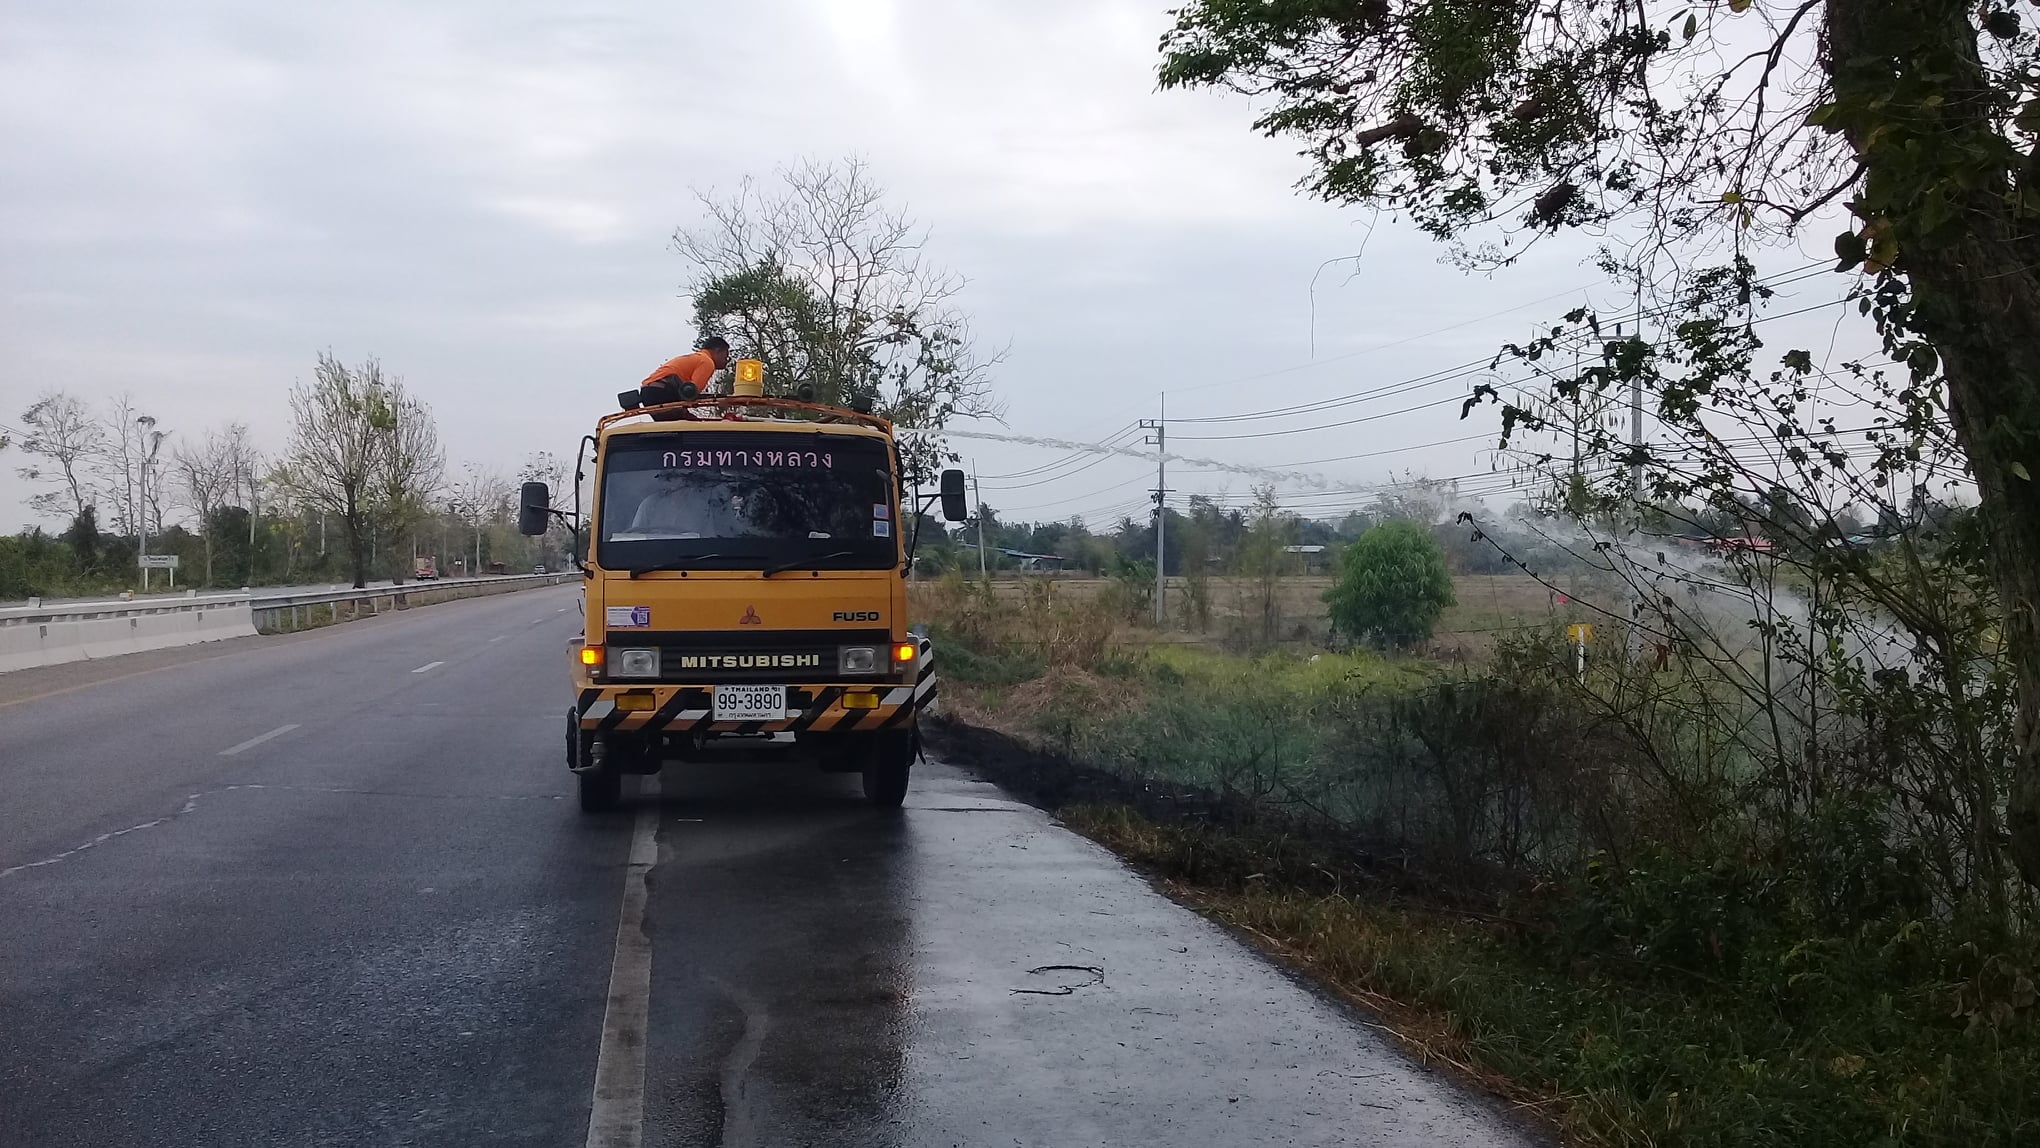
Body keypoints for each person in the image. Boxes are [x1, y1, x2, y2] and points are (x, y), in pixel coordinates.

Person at [640, 337, 731, 411]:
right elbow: (691, 393)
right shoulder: (707, 362)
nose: (726, 361)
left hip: (648, 391)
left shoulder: (697, 358)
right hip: (661, 392)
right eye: (726, 356)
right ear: (717, 351)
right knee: (689, 424)